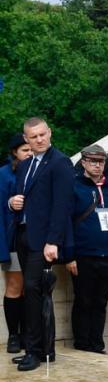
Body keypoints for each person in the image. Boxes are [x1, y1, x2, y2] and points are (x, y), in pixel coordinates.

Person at [8, 117, 75, 371]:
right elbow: (24, 197)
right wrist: (13, 202)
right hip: (24, 235)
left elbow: (62, 206)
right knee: (34, 293)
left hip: (44, 240)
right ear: (26, 139)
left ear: (50, 132)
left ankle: (34, 351)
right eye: (33, 136)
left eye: (42, 134)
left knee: (34, 291)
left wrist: (53, 241)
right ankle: (45, 350)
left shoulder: (60, 162)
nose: (39, 139)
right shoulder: (25, 165)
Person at [66, 144, 108, 353]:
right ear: (83, 162)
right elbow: (66, 221)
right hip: (83, 255)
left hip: (107, 256)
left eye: (100, 162)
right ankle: (82, 343)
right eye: (92, 161)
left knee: (101, 302)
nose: (97, 166)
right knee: (83, 300)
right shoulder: (75, 186)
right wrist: (70, 255)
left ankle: (96, 343)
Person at [1, 134, 31, 354]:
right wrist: (11, 204)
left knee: (31, 290)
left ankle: (29, 334)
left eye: (31, 150)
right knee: (14, 287)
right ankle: (14, 335)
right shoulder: (3, 175)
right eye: (24, 150)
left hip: (35, 241)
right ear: (14, 152)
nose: (29, 154)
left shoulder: (40, 171)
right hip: (12, 239)